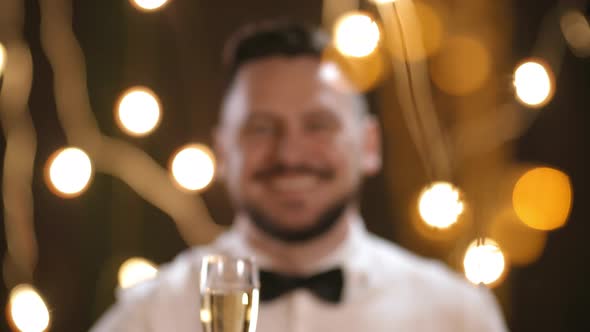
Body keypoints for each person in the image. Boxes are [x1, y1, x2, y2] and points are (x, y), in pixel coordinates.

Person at [90, 20, 508, 332]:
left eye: (319, 125)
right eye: (260, 128)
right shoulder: (147, 315)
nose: (289, 153)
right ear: (222, 152)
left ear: (368, 145)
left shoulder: (459, 316)